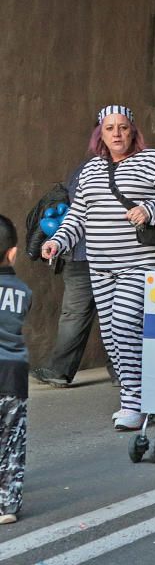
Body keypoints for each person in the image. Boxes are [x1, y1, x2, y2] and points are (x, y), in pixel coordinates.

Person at [42, 105, 155, 431]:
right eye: (110, 128)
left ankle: (133, 405)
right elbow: (78, 216)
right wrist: (59, 242)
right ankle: (143, 397)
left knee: (124, 324)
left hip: (141, 260)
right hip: (101, 264)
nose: (117, 134)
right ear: (100, 134)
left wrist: (150, 209)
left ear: (133, 130)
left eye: (123, 127)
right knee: (111, 336)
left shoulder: (154, 161)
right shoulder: (91, 169)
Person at [31, 159, 117, 389]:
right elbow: (77, 215)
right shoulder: (91, 169)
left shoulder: (84, 170)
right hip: (97, 253)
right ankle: (122, 372)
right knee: (118, 314)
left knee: (80, 313)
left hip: (87, 253)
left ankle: (61, 370)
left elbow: (75, 213)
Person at [0, 215, 31, 525]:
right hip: (13, 375)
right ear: (12, 252)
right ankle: (7, 504)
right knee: (12, 441)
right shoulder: (24, 291)